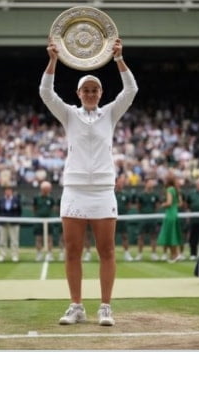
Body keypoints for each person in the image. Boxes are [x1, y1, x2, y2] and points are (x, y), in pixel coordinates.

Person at [39, 37, 138, 327]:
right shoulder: (68, 114)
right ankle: (76, 306)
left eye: (95, 89)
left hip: (104, 189)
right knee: (72, 251)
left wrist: (119, 58)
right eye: (86, 90)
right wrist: (53, 59)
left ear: (101, 92)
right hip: (74, 189)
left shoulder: (111, 112)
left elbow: (131, 89)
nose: (91, 93)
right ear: (79, 93)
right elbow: (46, 92)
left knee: (106, 251)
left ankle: (105, 307)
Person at [157, 173, 184, 262]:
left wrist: (162, 205)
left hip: (170, 214)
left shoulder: (169, 189)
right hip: (175, 213)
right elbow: (180, 204)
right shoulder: (176, 190)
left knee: (171, 236)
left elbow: (168, 203)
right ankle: (175, 254)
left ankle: (174, 255)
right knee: (174, 235)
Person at [135, 178, 161, 260]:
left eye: (152, 183)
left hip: (152, 218)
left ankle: (153, 254)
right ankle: (139, 254)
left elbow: (157, 206)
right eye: (149, 183)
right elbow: (138, 207)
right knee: (140, 236)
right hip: (143, 218)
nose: (150, 185)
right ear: (146, 184)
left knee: (153, 236)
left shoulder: (155, 195)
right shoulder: (141, 195)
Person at [33, 180, 58, 261]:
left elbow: (53, 208)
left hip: (49, 221)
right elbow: (34, 209)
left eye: (49, 189)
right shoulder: (36, 198)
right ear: (43, 189)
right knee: (38, 238)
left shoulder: (50, 199)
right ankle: (39, 254)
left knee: (49, 238)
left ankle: (50, 254)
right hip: (39, 221)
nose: (49, 190)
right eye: (47, 189)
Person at [0, 186, 23, 261]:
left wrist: (14, 220)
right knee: (2, 240)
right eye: (6, 191)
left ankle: (14, 255)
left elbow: (19, 212)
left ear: (12, 192)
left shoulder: (16, 200)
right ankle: (2, 255)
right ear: (4, 192)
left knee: (14, 241)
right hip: (3, 223)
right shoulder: (1, 200)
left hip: (14, 224)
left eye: (9, 191)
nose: (8, 192)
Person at [114, 173, 134, 261]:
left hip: (123, 218)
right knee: (111, 237)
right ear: (116, 183)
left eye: (123, 183)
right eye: (120, 182)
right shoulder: (111, 194)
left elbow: (129, 206)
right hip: (113, 218)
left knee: (125, 236)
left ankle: (126, 254)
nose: (121, 184)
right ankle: (111, 255)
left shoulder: (126, 195)